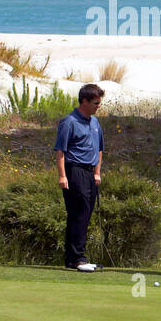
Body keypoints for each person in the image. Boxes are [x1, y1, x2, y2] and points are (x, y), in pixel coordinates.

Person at [54, 84, 105, 271]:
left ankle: (72, 258)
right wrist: (62, 176)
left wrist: (97, 172)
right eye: (95, 102)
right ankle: (78, 259)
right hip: (74, 170)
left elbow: (99, 149)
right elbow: (60, 150)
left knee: (85, 214)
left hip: (90, 172)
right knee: (79, 213)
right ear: (84, 101)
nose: (98, 106)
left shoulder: (95, 123)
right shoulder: (69, 122)